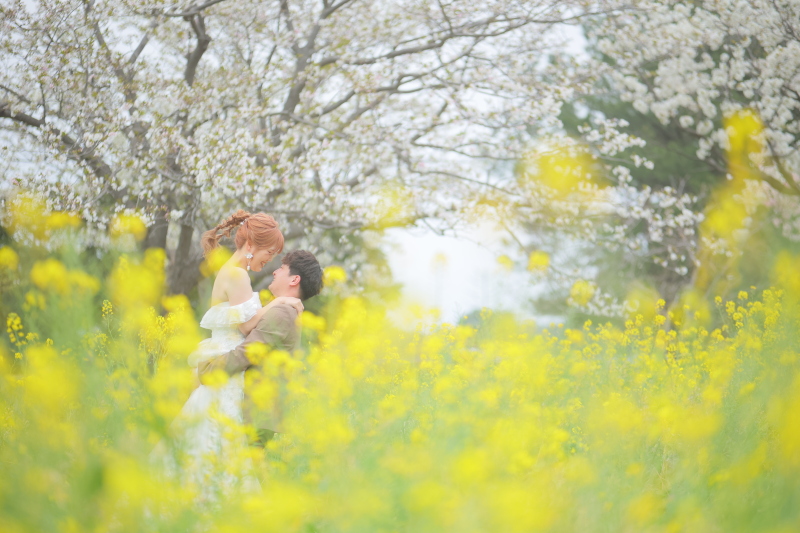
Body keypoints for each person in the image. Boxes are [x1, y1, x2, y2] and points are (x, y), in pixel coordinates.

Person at [154, 210, 302, 497]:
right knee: (220, 440)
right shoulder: (237, 275)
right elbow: (247, 326)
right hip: (226, 369)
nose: (269, 260)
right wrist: (279, 302)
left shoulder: (231, 271)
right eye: (269, 252)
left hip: (225, 362)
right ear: (251, 245)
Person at [198, 250, 323, 447]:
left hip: (257, 416)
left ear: (294, 279)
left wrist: (207, 370)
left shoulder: (283, 313)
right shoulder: (283, 309)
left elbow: (247, 353)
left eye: (282, 268)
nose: (275, 272)